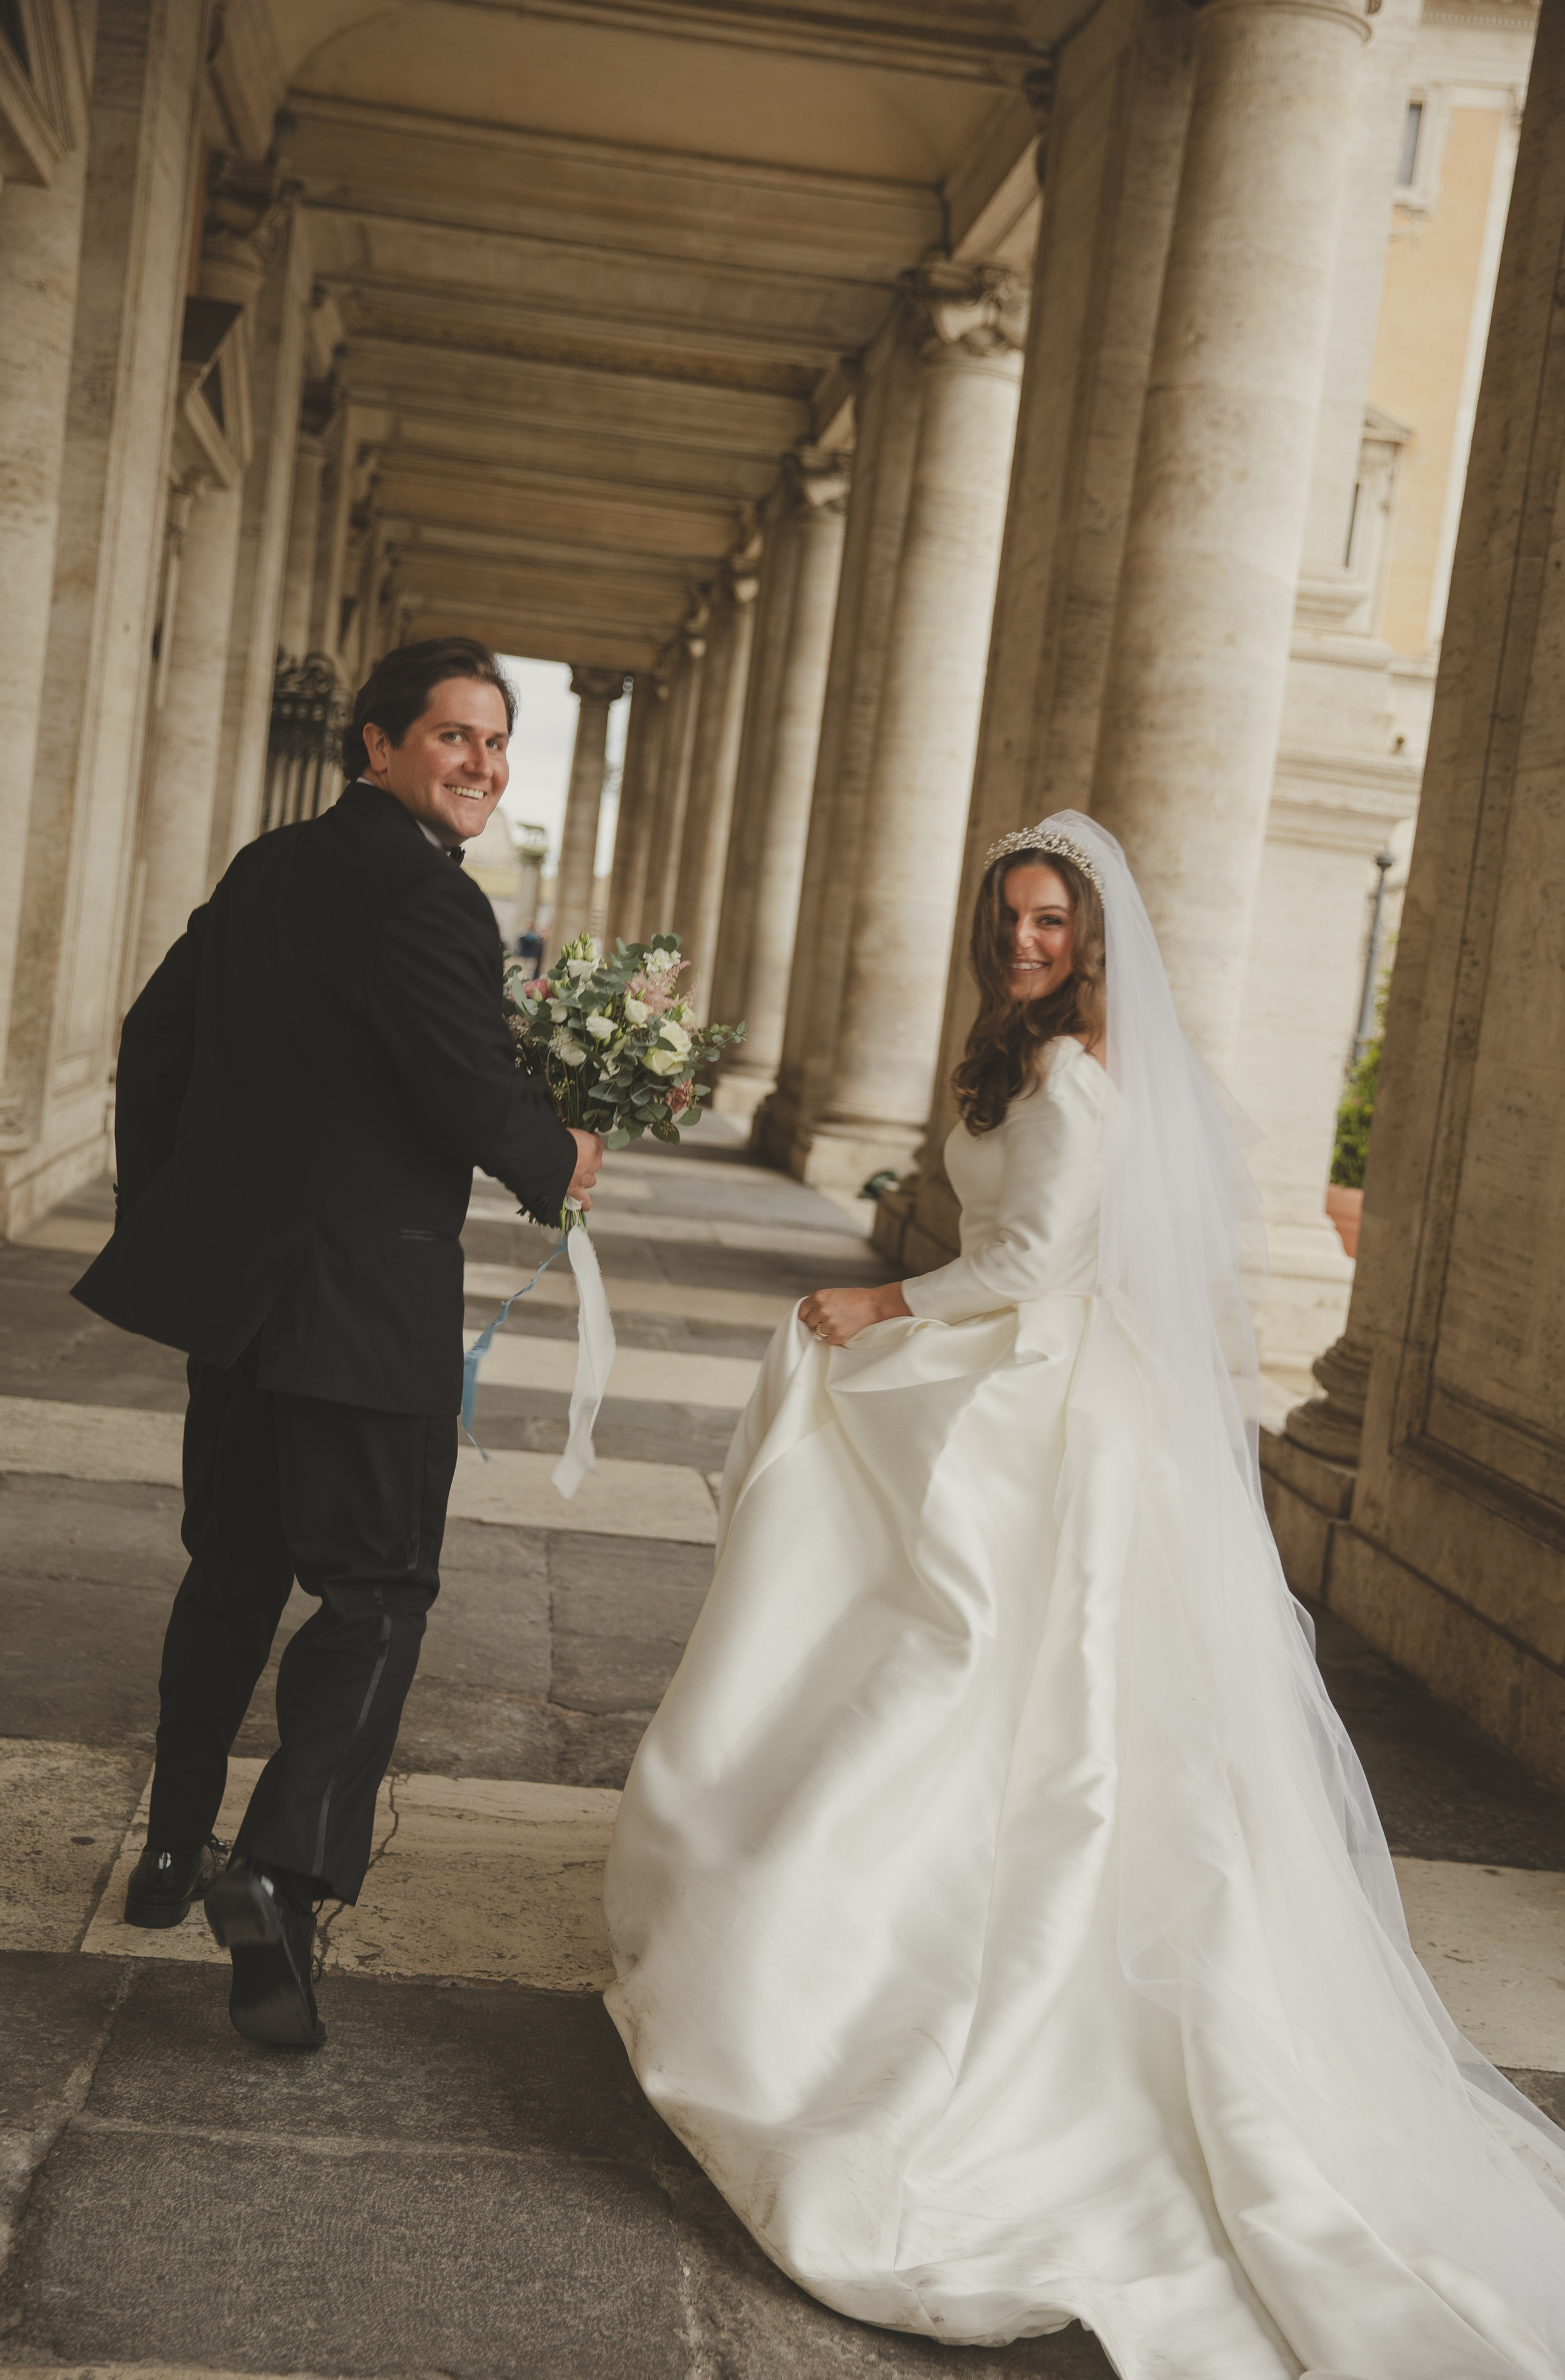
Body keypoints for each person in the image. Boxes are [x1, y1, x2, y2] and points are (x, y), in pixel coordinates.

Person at [604, 812, 1565, 2378]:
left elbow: (1033, 1259)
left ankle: (935, 1977)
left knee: (994, 1666)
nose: (1026, 941)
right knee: (937, 1651)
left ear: (1091, 932)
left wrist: (879, 1299)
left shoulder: (1074, 1077)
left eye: (1050, 920)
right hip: (1021, 1376)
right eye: (1011, 919)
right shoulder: (1028, 1052)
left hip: (1042, 1388)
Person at [74, 636, 602, 2050]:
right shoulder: (429, 901)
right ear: (373, 745)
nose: (484, 765)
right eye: (454, 739)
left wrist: (174, 1212)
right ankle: (276, 1869)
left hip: (239, 1305)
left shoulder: (266, 869)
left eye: (497, 744)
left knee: (231, 1572)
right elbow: (462, 1093)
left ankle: (171, 1853)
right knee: (375, 1593)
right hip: (362, 1317)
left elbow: (152, 1033)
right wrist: (562, 1154)